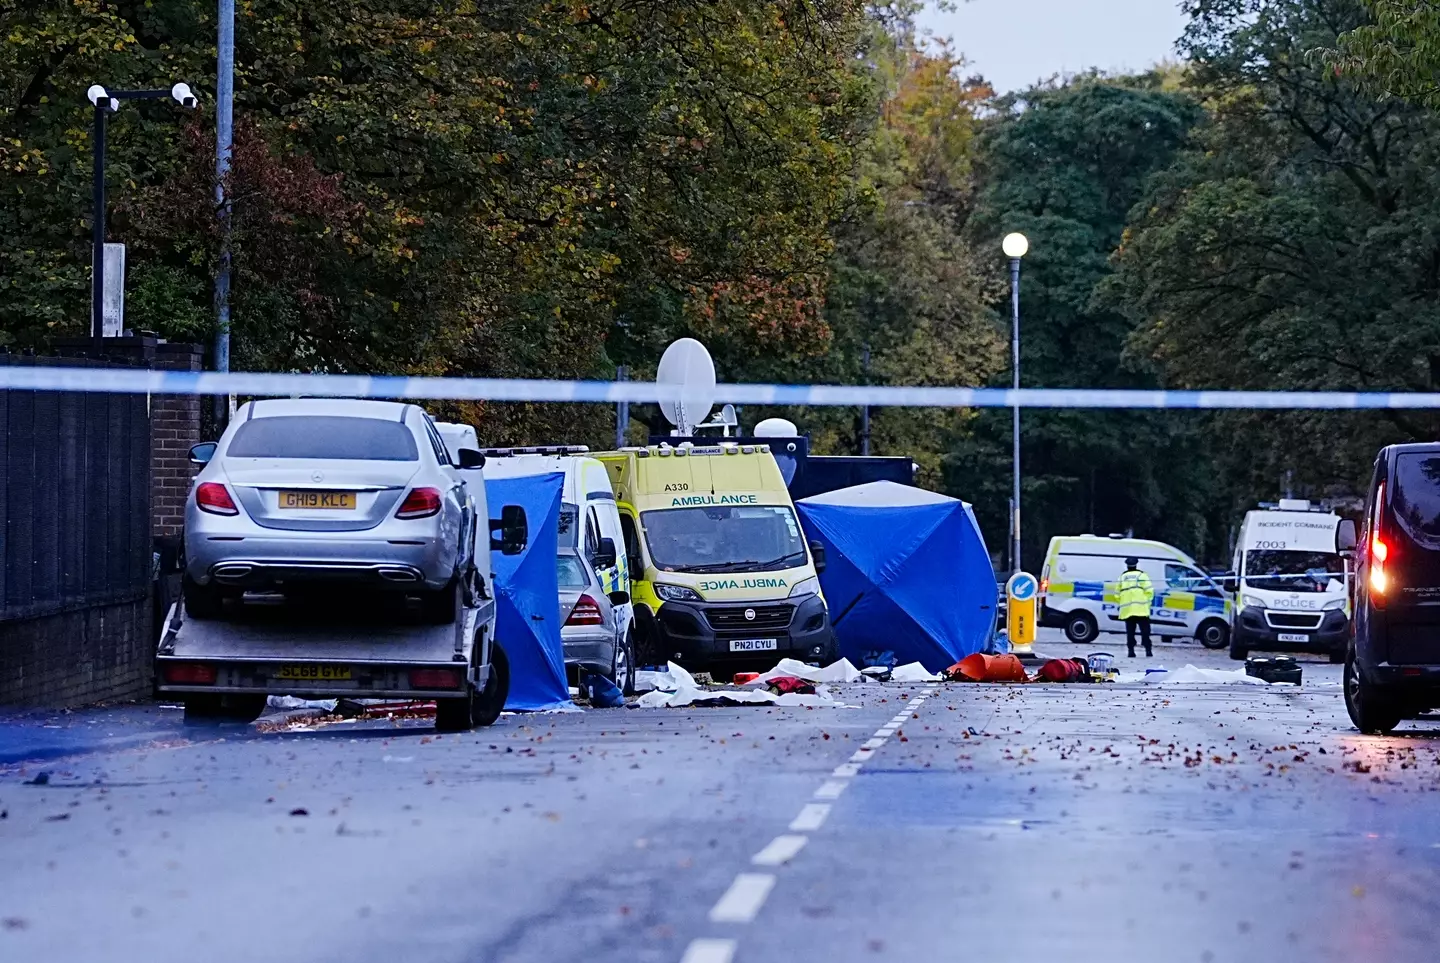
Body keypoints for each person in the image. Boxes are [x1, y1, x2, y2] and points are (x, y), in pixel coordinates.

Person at [1118, 557, 1155, 658]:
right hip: (1141, 609)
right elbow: (1149, 591)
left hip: (1128, 610)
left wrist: (1123, 604)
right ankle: (1148, 650)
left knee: (1130, 632)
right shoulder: (1142, 575)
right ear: (1136, 565)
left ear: (1127, 565)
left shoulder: (1123, 577)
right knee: (1145, 631)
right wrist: (1147, 603)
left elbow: (1117, 594)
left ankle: (1131, 651)